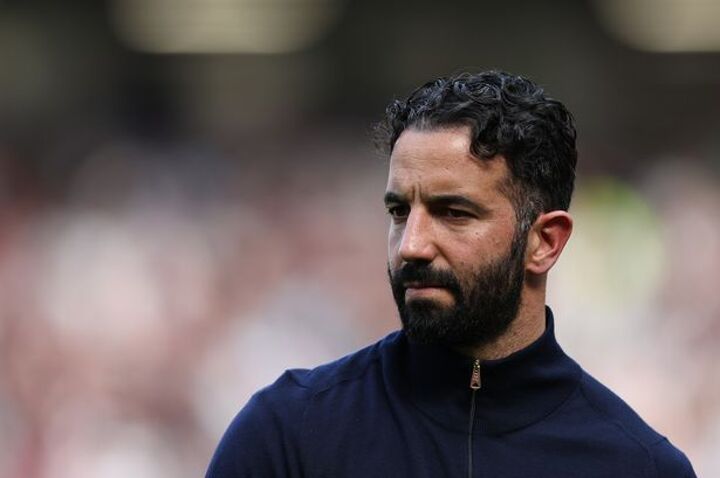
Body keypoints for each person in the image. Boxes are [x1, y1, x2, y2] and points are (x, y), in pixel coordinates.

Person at [205, 71, 696, 477]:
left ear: (545, 242)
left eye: (454, 213)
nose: (411, 246)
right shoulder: (287, 434)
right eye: (399, 212)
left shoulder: (637, 466)